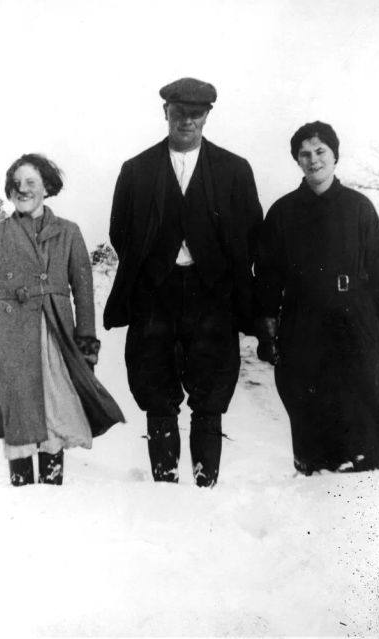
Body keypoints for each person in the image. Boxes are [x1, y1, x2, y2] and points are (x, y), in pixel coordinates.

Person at [104, 77, 263, 487]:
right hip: (155, 294)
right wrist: (155, 266)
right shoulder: (136, 170)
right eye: (179, 114)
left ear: (208, 116)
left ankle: (205, 482)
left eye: (196, 114)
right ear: (166, 114)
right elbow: (120, 231)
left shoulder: (234, 169)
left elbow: (250, 231)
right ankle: (165, 482)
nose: (187, 122)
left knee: (211, 391)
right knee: (156, 388)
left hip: (213, 296)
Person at [254, 121, 379, 475]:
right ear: (297, 161)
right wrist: (268, 331)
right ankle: (320, 473)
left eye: (320, 152)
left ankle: (377, 474)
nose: (313, 160)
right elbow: (268, 278)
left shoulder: (358, 207)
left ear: (334, 156)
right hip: (303, 319)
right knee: (310, 396)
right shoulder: (283, 212)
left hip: (354, 314)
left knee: (373, 397)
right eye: (305, 154)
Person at [0, 154, 124, 486]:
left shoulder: (68, 232)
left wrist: (86, 342)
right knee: (19, 417)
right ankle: (23, 495)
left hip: (54, 334)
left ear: (46, 188)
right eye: (16, 183)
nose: (22, 189)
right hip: (9, 339)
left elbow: (83, 293)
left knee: (55, 413)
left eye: (31, 183)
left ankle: (53, 494)